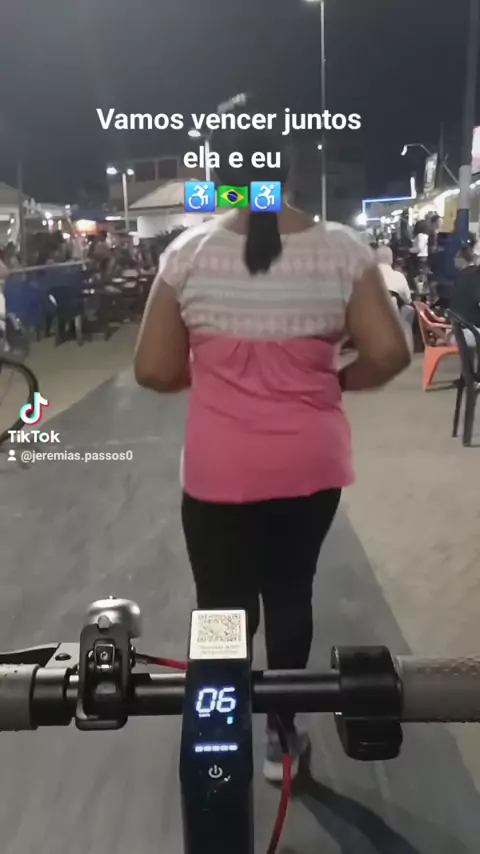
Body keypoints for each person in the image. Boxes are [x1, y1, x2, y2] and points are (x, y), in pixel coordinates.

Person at [134, 94, 410, 783]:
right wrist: (332, 380)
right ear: (287, 167)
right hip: (308, 466)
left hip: (220, 469)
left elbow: (155, 369)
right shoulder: (341, 249)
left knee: (222, 607)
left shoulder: (188, 254)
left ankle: (218, 736)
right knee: (291, 593)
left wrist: (217, 377)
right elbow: (389, 352)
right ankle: (283, 741)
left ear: (220, 169)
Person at [451, 244, 480, 346]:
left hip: (461, 332)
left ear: (462, 259)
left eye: (456, 257)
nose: (454, 259)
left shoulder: (460, 278)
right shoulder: (474, 276)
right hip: (472, 332)